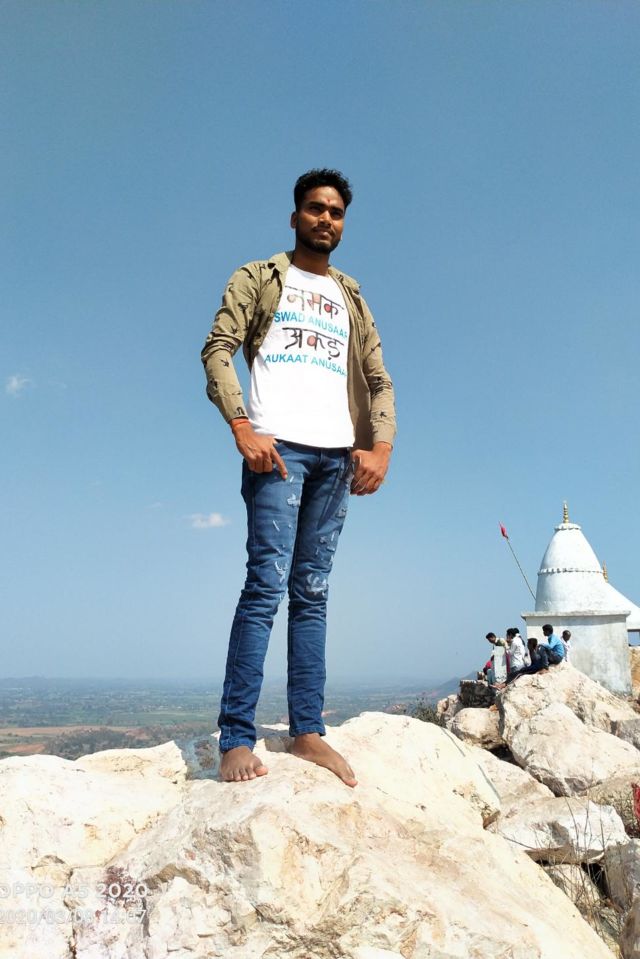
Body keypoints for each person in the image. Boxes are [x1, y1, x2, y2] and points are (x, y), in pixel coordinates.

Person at [201, 169, 396, 788]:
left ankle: (307, 730)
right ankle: (236, 737)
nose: (325, 219)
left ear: (343, 223)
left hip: (337, 457)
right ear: (295, 217)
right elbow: (217, 348)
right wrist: (242, 426)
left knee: (312, 592)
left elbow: (378, 378)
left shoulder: (350, 296)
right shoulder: (260, 277)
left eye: (335, 212)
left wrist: (380, 446)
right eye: (315, 208)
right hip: (277, 451)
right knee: (266, 585)